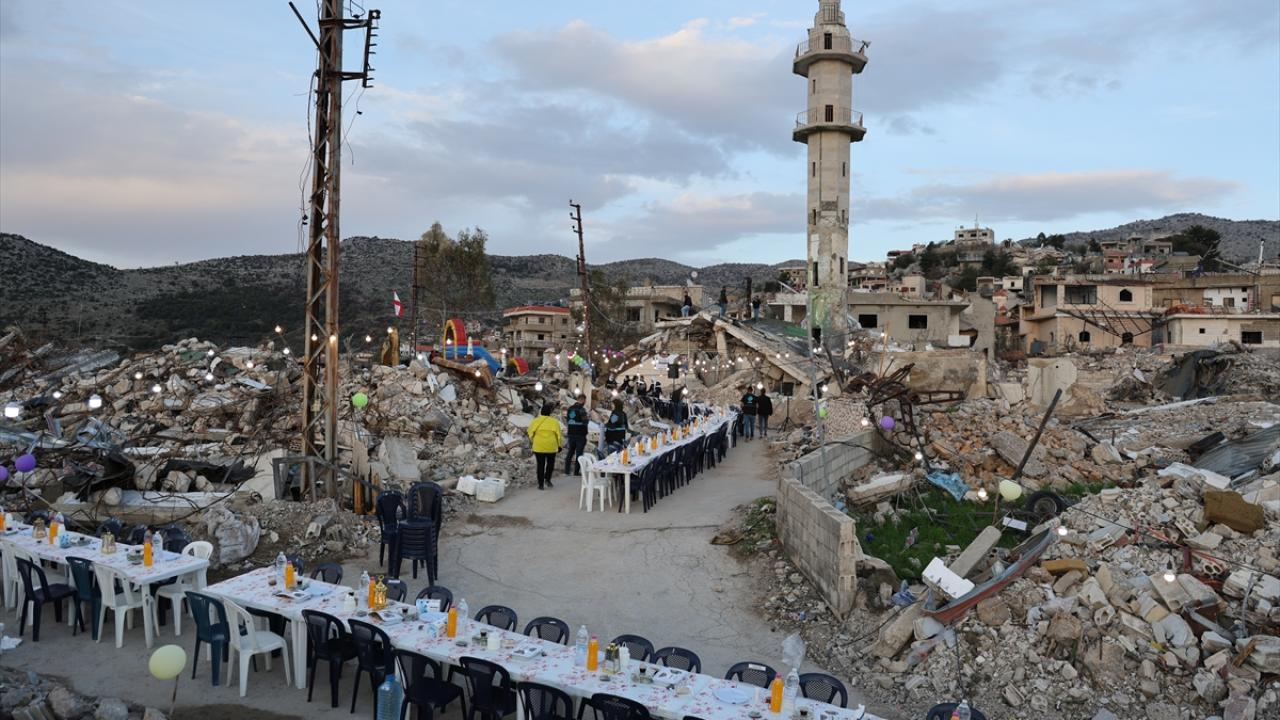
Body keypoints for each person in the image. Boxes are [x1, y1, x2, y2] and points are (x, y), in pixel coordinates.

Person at [526, 404, 563, 490]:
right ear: (550, 412)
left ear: (541, 412)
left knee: (540, 465)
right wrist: (559, 445)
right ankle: (548, 479)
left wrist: (533, 441)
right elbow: (559, 436)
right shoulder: (554, 422)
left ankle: (541, 484)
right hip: (551, 447)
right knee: (550, 464)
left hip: (538, 447)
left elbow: (530, 433)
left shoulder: (535, 421)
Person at [564, 395, 590, 476]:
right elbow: (585, 421)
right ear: (583, 400)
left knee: (570, 452)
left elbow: (568, 420)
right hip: (580, 435)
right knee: (579, 454)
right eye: (585, 401)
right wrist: (587, 418)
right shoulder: (581, 409)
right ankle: (576, 472)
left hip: (571, 433)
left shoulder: (570, 409)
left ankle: (567, 471)